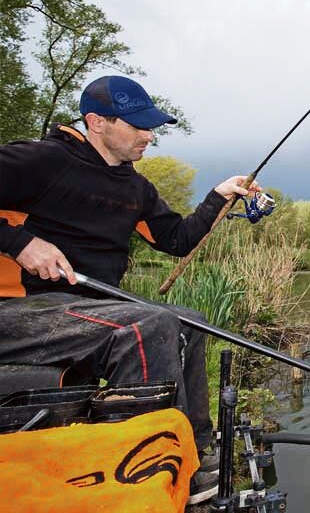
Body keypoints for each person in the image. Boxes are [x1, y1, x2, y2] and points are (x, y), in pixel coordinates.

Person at [0, 75, 256, 504]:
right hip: (17, 311)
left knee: (189, 321)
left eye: (150, 126)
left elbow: (175, 239)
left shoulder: (134, 186)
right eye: (137, 125)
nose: (148, 135)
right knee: (146, 326)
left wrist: (219, 196)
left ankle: (192, 452)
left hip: (89, 312)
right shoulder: (40, 160)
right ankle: (150, 471)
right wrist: (18, 242)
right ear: (97, 122)